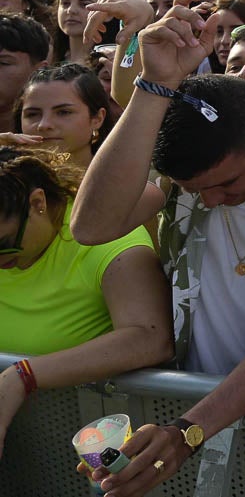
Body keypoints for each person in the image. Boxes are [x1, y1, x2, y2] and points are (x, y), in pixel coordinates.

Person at [70, 1, 245, 496]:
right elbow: (91, 225)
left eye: (227, 183)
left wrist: (187, 432)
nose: (209, 200)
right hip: (192, 414)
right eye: (193, 188)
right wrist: (153, 87)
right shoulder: (178, 187)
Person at [0, 147, 171, 459]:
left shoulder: (106, 235)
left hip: (101, 459)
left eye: (4, 245)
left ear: (37, 203)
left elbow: (151, 336)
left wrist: (22, 376)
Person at [13, 63, 114, 169]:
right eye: (33, 114)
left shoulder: (123, 179)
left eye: (63, 112)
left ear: (97, 118)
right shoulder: (8, 179)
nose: (44, 125)